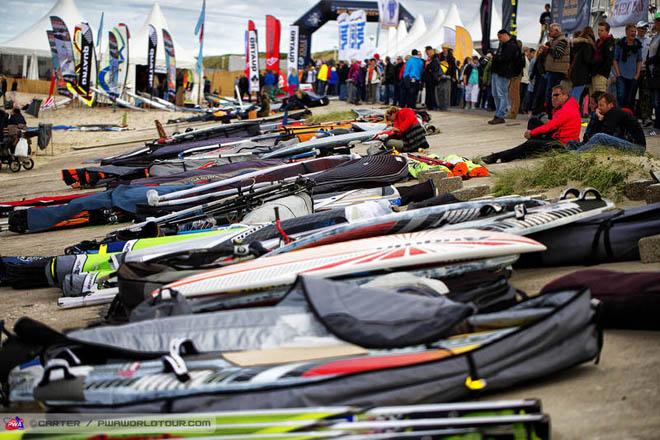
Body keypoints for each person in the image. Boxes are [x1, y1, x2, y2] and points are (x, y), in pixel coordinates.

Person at [482, 85, 580, 163]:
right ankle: (530, 146)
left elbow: (551, 126)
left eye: (556, 95)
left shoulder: (567, 109)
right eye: (552, 95)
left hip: (563, 145)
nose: (553, 98)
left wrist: (532, 133)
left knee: (531, 143)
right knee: (533, 122)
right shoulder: (566, 105)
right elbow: (555, 124)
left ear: (565, 95)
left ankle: (497, 156)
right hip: (558, 137)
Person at [569, 92, 646, 154]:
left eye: (601, 105)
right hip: (631, 144)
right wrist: (598, 118)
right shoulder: (609, 114)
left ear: (610, 105)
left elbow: (605, 133)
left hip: (637, 148)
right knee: (572, 143)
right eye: (598, 105)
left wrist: (599, 117)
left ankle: (577, 154)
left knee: (599, 137)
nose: (598, 108)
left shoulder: (614, 112)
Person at [489, 29, 521, 125]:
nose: (499, 39)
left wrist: (494, 56)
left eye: (500, 37)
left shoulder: (512, 46)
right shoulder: (502, 45)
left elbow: (505, 58)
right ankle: (498, 113)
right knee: (495, 94)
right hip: (496, 71)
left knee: (501, 94)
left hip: (504, 73)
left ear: (505, 35)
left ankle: (500, 115)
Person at [539, 23, 570, 118]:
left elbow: (558, 54)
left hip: (557, 71)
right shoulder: (556, 41)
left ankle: (551, 115)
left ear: (557, 31)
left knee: (552, 94)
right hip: (553, 70)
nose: (549, 33)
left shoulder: (562, 41)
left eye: (551, 31)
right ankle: (550, 113)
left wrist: (548, 49)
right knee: (550, 93)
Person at [613, 24, 643, 110]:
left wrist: (637, 75)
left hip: (633, 76)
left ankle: (628, 117)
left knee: (630, 99)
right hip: (621, 75)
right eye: (631, 31)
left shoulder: (638, 45)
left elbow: (639, 60)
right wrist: (618, 74)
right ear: (626, 32)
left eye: (634, 31)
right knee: (621, 96)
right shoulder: (620, 44)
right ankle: (620, 116)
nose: (633, 33)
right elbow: (614, 59)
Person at [569, 26, 596, 104]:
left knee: (574, 92)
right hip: (582, 72)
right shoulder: (587, 45)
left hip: (574, 71)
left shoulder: (575, 44)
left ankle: (570, 110)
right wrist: (596, 61)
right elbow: (587, 59)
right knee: (576, 94)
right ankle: (572, 112)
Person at [636, 21, 653, 125]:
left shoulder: (650, 41)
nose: (643, 30)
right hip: (634, 71)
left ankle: (646, 117)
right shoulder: (633, 41)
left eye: (645, 29)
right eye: (641, 28)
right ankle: (634, 115)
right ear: (637, 29)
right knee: (632, 94)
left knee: (645, 94)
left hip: (645, 71)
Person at [592, 21, 615, 93]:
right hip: (595, 73)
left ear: (607, 31)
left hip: (601, 75)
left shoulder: (609, 42)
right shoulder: (598, 42)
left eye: (602, 30)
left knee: (599, 96)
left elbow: (609, 60)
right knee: (594, 98)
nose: (599, 32)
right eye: (598, 30)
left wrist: (600, 72)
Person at [506, 40, 526, 119]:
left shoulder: (519, 55)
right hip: (514, 75)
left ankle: (514, 112)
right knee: (511, 94)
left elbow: (519, 66)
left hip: (516, 75)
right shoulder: (517, 54)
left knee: (514, 94)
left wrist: (514, 75)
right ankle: (512, 111)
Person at [649, 13, 660, 130]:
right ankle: (657, 121)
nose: (656, 23)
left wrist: (648, 61)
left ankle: (658, 123)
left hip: (658, 72)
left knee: (657, 100)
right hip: (653, 73)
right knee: (655, 100)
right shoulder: (655, 37)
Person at [436, 44, 455, 110]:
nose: (444, 49)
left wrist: (453, 76)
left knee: (447, 92)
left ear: (447, 49)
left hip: (448, 76)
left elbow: (453, 68)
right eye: (443, 48)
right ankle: (441, 105)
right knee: (440, 91)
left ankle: (446, 106)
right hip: (441, 76)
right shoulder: (439, 56)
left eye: (445, 48)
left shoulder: (451, 57)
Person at [423, 46, 440, 110]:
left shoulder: (435, 58)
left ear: (430, 50)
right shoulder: (430, 58)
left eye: (427, 52)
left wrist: (428, 65)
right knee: (429, 92)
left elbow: (434, 68)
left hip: (432, 78)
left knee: (431, 92)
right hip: (429, 78)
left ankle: (433, 106)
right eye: (426, 52)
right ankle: (430, 105)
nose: (427, 53)